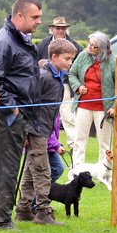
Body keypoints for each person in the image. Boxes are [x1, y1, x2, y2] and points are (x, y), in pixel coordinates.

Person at [0, 0, 42, 230]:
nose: (39, 22)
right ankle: (0, 219)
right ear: (20, 16)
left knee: (5, 165)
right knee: (5, 166)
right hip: (8, 115)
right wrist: (13, 108)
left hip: (20, 113)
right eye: (35, 17)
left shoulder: (22, 41)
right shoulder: (5, 42)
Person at [15, 39, 77, 225]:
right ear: (54, 57)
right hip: (36, 130)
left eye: (72, 59)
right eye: (67, 58)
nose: (70, 62)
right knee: (42, 171)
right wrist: (25, 130)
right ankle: (42, 211)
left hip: (43, 130)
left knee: (28, 172)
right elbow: (27, 102)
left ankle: (23, 209)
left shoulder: (58, 77)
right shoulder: (43, 77)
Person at [69, 31, 117, 166]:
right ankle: (75, 172)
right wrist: (78, 87)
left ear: (101, 48)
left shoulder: (113, 61)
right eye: (89, 43)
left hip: (104, 109)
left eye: (93, 46)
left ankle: (104, 173)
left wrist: (115, 106)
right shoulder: (83, 56)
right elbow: (72, 74)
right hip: (83, 105)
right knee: (79, 141)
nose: (89, 47)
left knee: (104, 143)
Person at [37, 17, 83, 153]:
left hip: (66, 86)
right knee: (47, 115)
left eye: (63, 28)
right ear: (53, 29)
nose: (60, 31)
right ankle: (46, 144)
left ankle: (73, 147)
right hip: (46, 85)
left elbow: (77, 68)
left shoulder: (74, 45)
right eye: (58, 28)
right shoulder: (43, 44)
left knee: (68, 117)